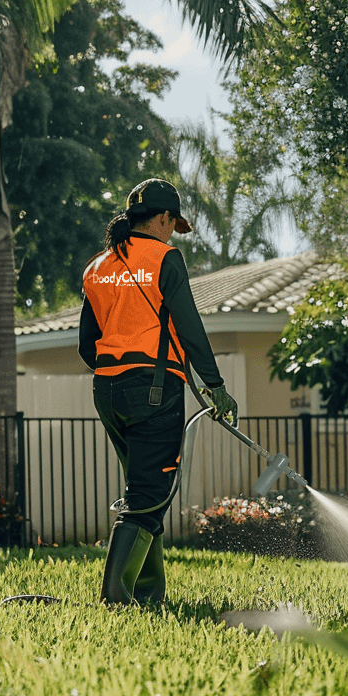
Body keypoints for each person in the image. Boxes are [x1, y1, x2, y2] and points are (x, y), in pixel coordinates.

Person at [79, 178, 238, 604]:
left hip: (107, 391)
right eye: (172, 224)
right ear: (164, 218)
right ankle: (117, 594)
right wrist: (216, 385)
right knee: (150, 492)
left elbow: (85, 344)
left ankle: (148, 594)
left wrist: (116, 373)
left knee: (144, 489)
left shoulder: (98, 267)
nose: (172, 233)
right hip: (153, 389)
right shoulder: (165, 257)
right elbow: (189, 325)